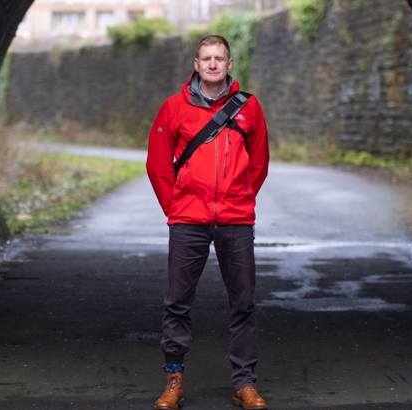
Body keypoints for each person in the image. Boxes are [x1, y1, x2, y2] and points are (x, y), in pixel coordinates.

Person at [146, 35, 270, 410]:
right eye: (206, 58)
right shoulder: (173, 108)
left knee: (243, 302)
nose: (213, 64)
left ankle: (244, 384)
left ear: (229, 64)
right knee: (178, 302)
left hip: (235, 219)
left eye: (219, 58)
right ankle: (174, 380)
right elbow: (157, 164)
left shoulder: (250, 108)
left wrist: (241, 199)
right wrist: (176, 206)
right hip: (188, 219)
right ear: (196, 64)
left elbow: (259, 163)